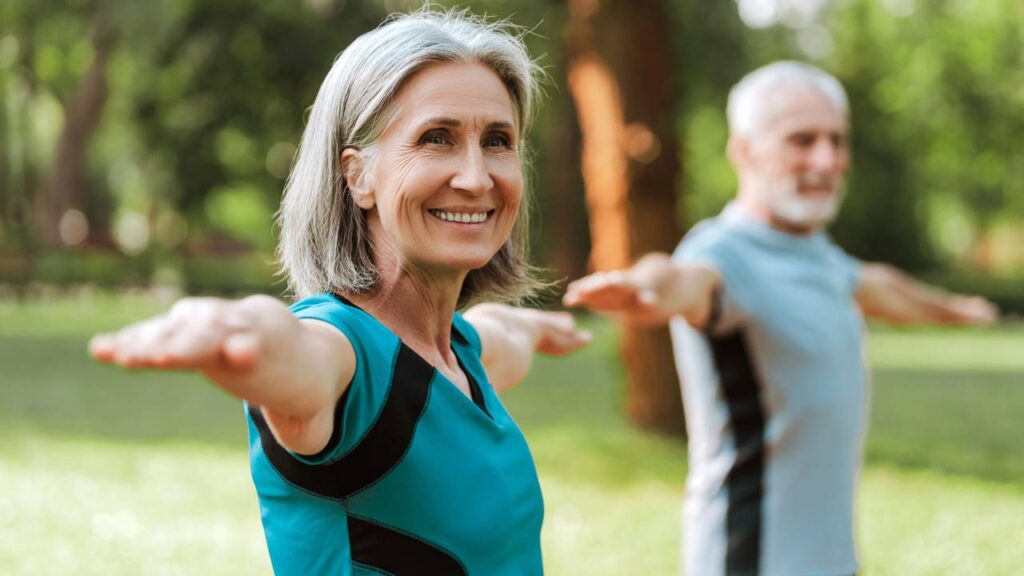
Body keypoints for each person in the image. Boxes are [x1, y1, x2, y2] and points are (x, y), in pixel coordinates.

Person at [90, 10, 591, 575]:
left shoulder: (459, 354)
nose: (476, 178)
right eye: (437, 138)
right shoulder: (345, 354)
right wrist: (242, 331)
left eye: (497, 140)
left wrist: (534, 327)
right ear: (358, 176)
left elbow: (502, 337)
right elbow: (294, 351)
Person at [564, 61, 998, 575]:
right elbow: (681, 278)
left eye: (838, 141)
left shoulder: (814, 251)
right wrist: (642, 287)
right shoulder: (725, 253)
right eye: (803, 140)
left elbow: (878, 286)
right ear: (744, 150)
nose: (828, 159)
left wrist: (957, 310)